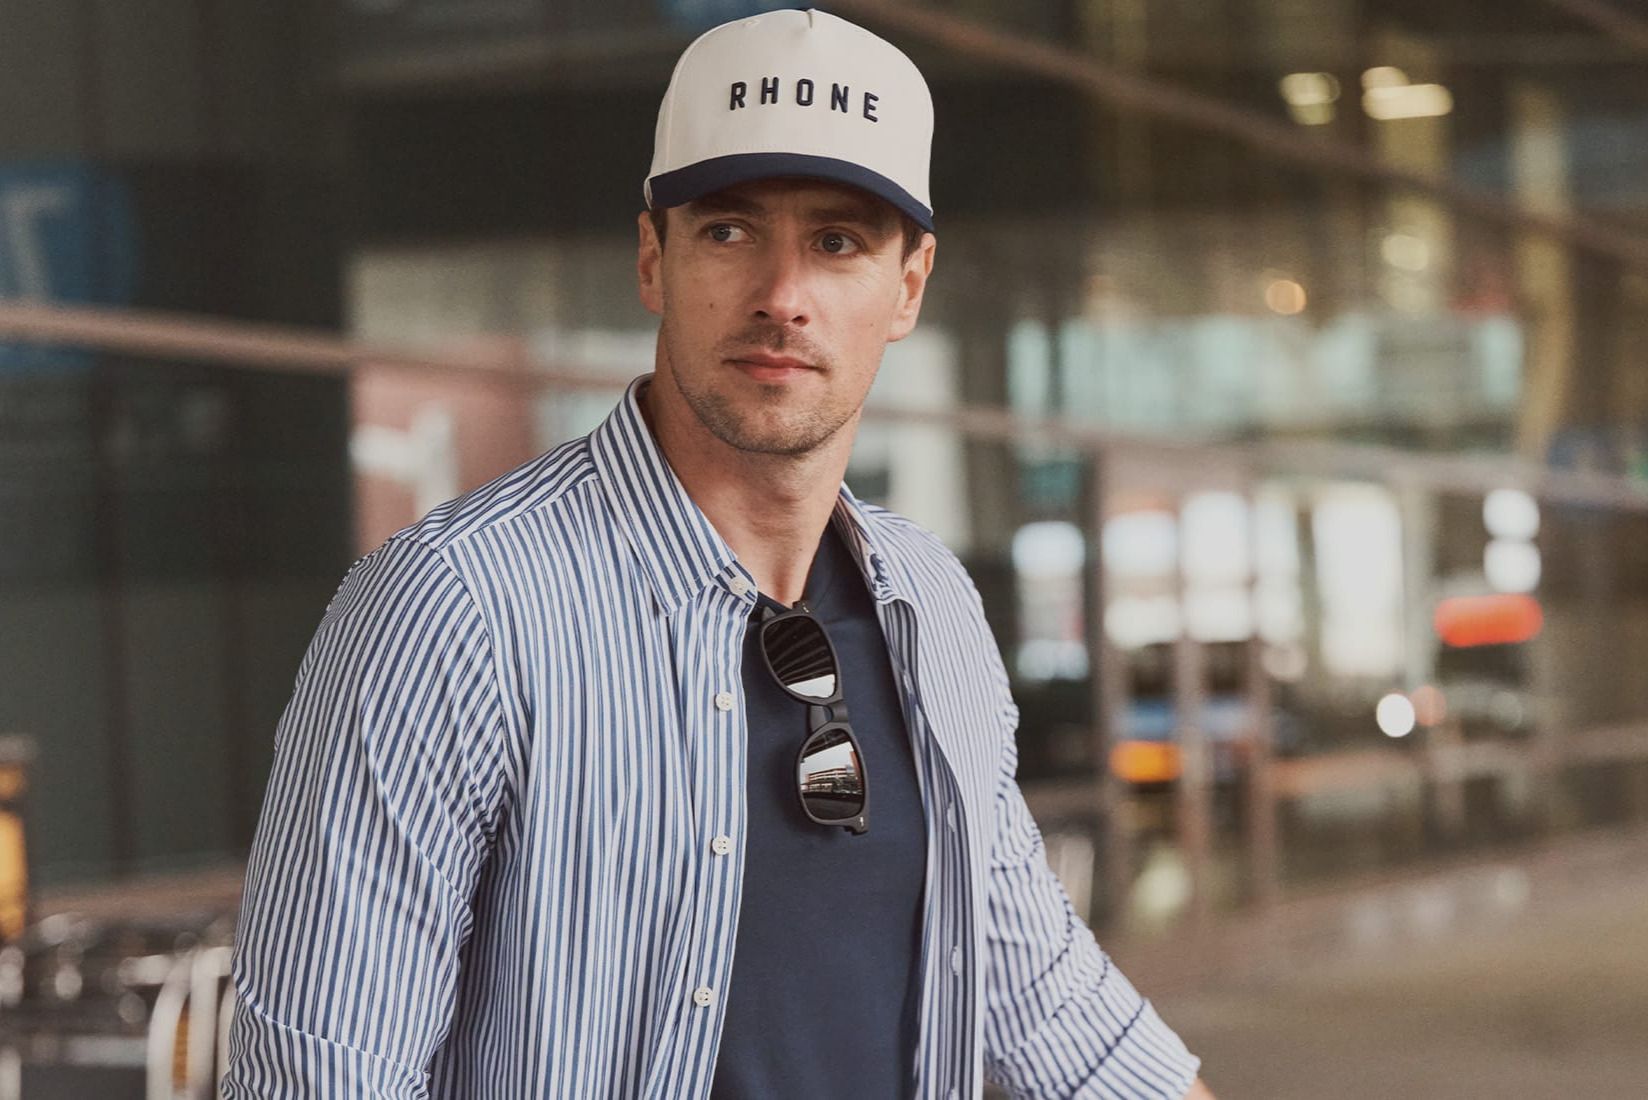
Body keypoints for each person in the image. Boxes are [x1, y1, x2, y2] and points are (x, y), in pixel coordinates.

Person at [222, 8, 1215, 1099]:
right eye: (731, 231)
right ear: (654, 255)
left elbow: (1048, 1006)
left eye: (837, 241)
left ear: (910, 285)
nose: (781, 296)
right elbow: (323, 1074)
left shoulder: (928, 599)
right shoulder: (456, 608)